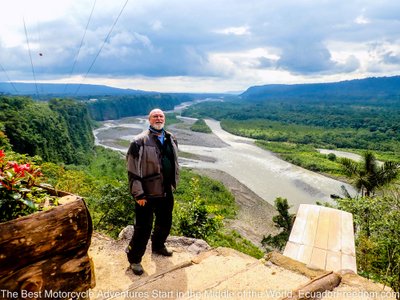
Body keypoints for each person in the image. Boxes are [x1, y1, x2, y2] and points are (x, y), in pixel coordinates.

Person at [126, 108, 179, 275]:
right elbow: (132, 170)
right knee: (143, 227)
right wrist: (138, 193)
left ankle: (158, 246)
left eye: (161, 116)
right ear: (149, 120)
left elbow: (174, 162)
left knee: (165, 221)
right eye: (155, 116)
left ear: (164, 119)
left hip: (166, 189)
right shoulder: (138, 141)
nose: (158, 118)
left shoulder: (171, 138)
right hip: (146, 193)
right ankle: (134, 259)